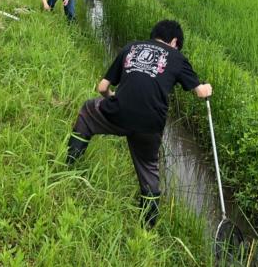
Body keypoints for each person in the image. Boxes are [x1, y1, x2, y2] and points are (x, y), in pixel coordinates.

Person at [66, 20, 213, 227]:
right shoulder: (178, 57)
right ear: (174, 41)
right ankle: (147, 227)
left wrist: (112, 98)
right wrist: (207, 87)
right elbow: (200, 92)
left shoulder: (131, 47)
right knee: (148, 168)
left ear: (154, 35)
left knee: (88, 112)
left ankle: (70, 165)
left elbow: (102, 87)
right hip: (150, 124)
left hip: (119, 113)